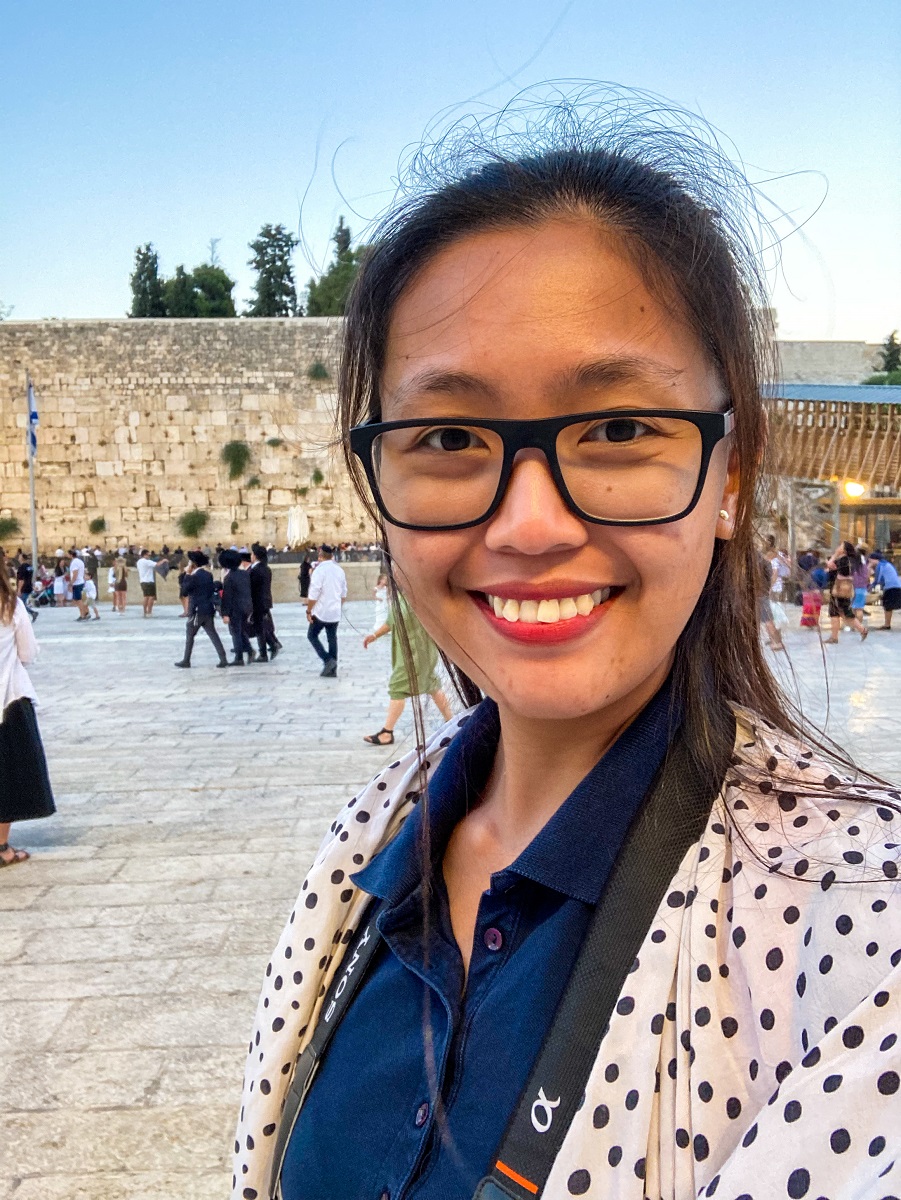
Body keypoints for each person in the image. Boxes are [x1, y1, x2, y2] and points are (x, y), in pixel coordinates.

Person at [235, 96, 901, 1200]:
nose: (530, 524)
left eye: (619, 429)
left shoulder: (860, 930)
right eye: (448, 438)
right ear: (377, 490)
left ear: (728, 479)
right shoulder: (366, 845)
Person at [0, 551, 55, 866]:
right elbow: (28, 652)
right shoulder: (11, 606)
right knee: (7, 773)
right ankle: (1, 847)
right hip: (9, 698)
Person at [362, 591, 452, 744]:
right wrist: (375, 636)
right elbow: (392, 622)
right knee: (432, 685)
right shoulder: (402, 595)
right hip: (411, 653)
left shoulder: (420, 596)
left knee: (397, 688)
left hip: (416, 654)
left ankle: (387, 733)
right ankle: (452, 722)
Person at [175, 550, 228, 669]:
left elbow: (184, 591)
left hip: (197, 611)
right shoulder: (207, 575)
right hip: (208, 609)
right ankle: (223, 658)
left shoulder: (193, 577)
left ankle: (186, 660)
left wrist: (187, 575)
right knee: (213, 634)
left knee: (190, 636)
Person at [302, 544, 347, 677]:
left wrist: (309, 611)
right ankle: (332, 669)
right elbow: (344, 593)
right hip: (335, 611)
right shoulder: (339, 570)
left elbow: (314, 593)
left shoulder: (319, 571)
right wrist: (338, 605)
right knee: (332, 638)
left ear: (320, 556)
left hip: (321, 611)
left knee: (312, 635)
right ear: (332, 556)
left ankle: (328, 660)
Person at [825, 541, 868, 643]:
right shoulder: (847, 560)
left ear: (844, 550)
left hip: (839, 591)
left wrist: (835, 555)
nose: (838, 547)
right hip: (839, 591)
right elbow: (829, 567)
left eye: (840, 545)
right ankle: (834, 637)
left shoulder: (844, 560)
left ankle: (862, 630)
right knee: (837, 613)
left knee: (844, 614)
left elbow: (829, 566)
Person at [219, 548, 254, 665]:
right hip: (247, 606)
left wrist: (225, 613)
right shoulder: (244, 574)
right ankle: (249, 650)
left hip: (235, 608)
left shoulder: (229, 578)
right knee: (242, 630)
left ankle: (239, 657)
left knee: (235, 632)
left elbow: (227, 597)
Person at [249, 543, 281, 662]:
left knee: (259, 628)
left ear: (255, 556)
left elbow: (252, 587)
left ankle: (265, 651)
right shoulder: (266, 568)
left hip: (258, 602)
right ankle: (272, 645)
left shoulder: (256, 570)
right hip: (265, 601)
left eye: (252, 554)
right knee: (260, 626)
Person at [869, 550, 901, 629]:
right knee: (889, 606)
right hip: (895, 586)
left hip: (891, 587)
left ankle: (887, 625)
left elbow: (878, 579)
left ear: (875, 559)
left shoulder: (880, 565)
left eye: (870, 560)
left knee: (888, 606)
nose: (869, 561)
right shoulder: (886, 564)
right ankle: (887, 624)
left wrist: (870, 587)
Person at [797, 548, 823, 630]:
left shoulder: (801, 559)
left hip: (805, 579)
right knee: (815, 604)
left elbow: (799, 569)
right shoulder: (816, 560)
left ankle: (807, 621)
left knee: (807, 603)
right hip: (814, 580)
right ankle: (814, 621)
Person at [136, 548, 158, 617]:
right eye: (148, 555)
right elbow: (157, 564)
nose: (149, 556)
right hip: (149, 581)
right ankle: (149, 612)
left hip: (142, 581)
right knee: (151, 597)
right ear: (145, 555)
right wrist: (164, 560)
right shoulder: (146, 561)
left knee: (146, 597)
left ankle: (145, 611)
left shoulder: (139, 562)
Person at [69, 551, 88, 621]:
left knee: (78, 600)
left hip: (77, 583)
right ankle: (85, 613)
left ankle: (82, 615)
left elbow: (75, 574)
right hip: (81, 582)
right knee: (80, 600)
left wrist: (71, 583)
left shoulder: (74, 563)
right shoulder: (80, 562)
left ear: (71, 555)